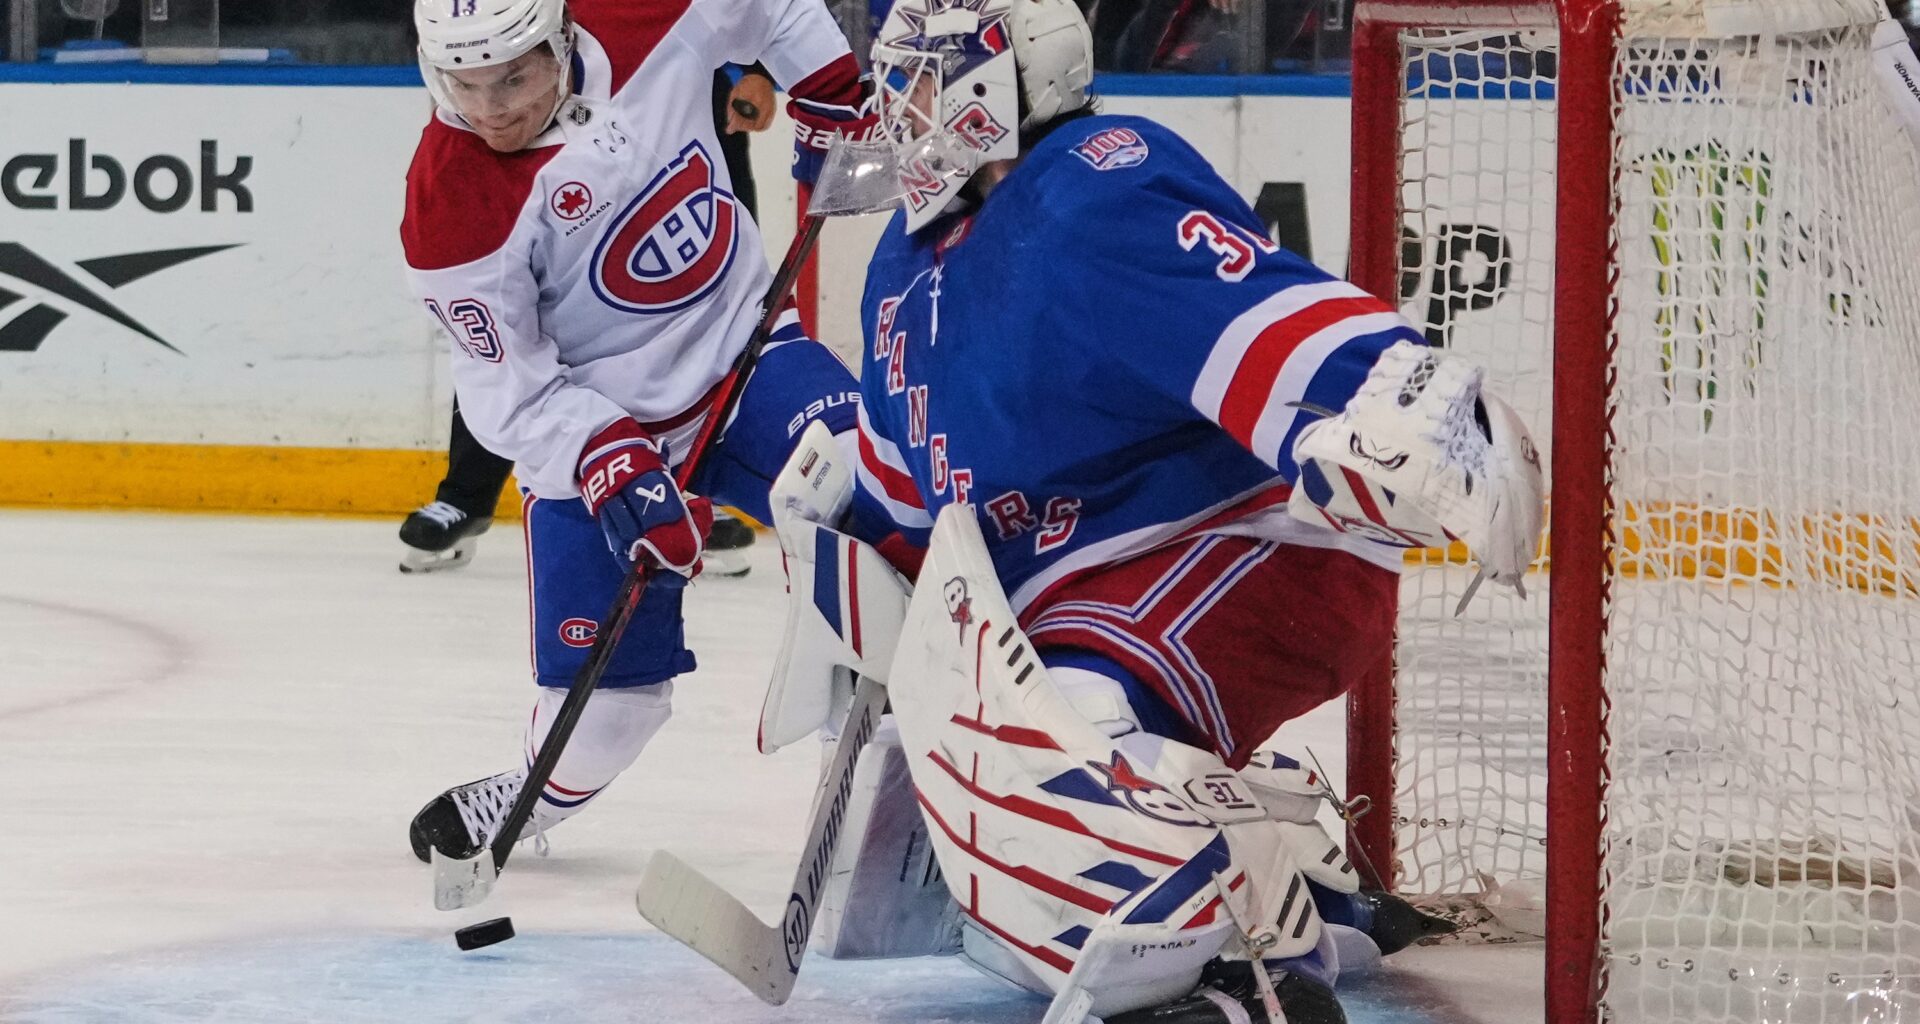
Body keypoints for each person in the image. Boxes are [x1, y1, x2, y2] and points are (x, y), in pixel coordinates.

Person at [776, 0, 1545, 1019]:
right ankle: (1267, 876)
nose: (896, 107)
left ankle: (1232, 958)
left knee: (1069, 739)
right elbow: (917, 501)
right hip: (1085, 589)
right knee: (1002, 757)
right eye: (896, 79)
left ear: (995, 85)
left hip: (1246, 549)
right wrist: (846, 507)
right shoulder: (901, 264)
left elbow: (1255, 312)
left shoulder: (1090, 185)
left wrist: (1400, 392)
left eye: (920, 80)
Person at [399, 0, 871, 863]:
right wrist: (606, 456)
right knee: (613, 712)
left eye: (514, 76)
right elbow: (506, 388)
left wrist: (830, 81)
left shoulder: (640, 16)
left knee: (869, 499)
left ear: (560, 38)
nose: (493, 106)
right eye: (464, 85)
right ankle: (532, 793)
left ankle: (905, 763)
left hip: (746, 351)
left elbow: (774, 8)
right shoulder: (449, 206)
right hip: (606, 434)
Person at [395, 59, 781, 578]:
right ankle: (468, 493)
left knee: (702, 307)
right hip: (556, 92)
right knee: (516, 318)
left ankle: (683, 495)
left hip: (672, 98)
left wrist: (750, 64)